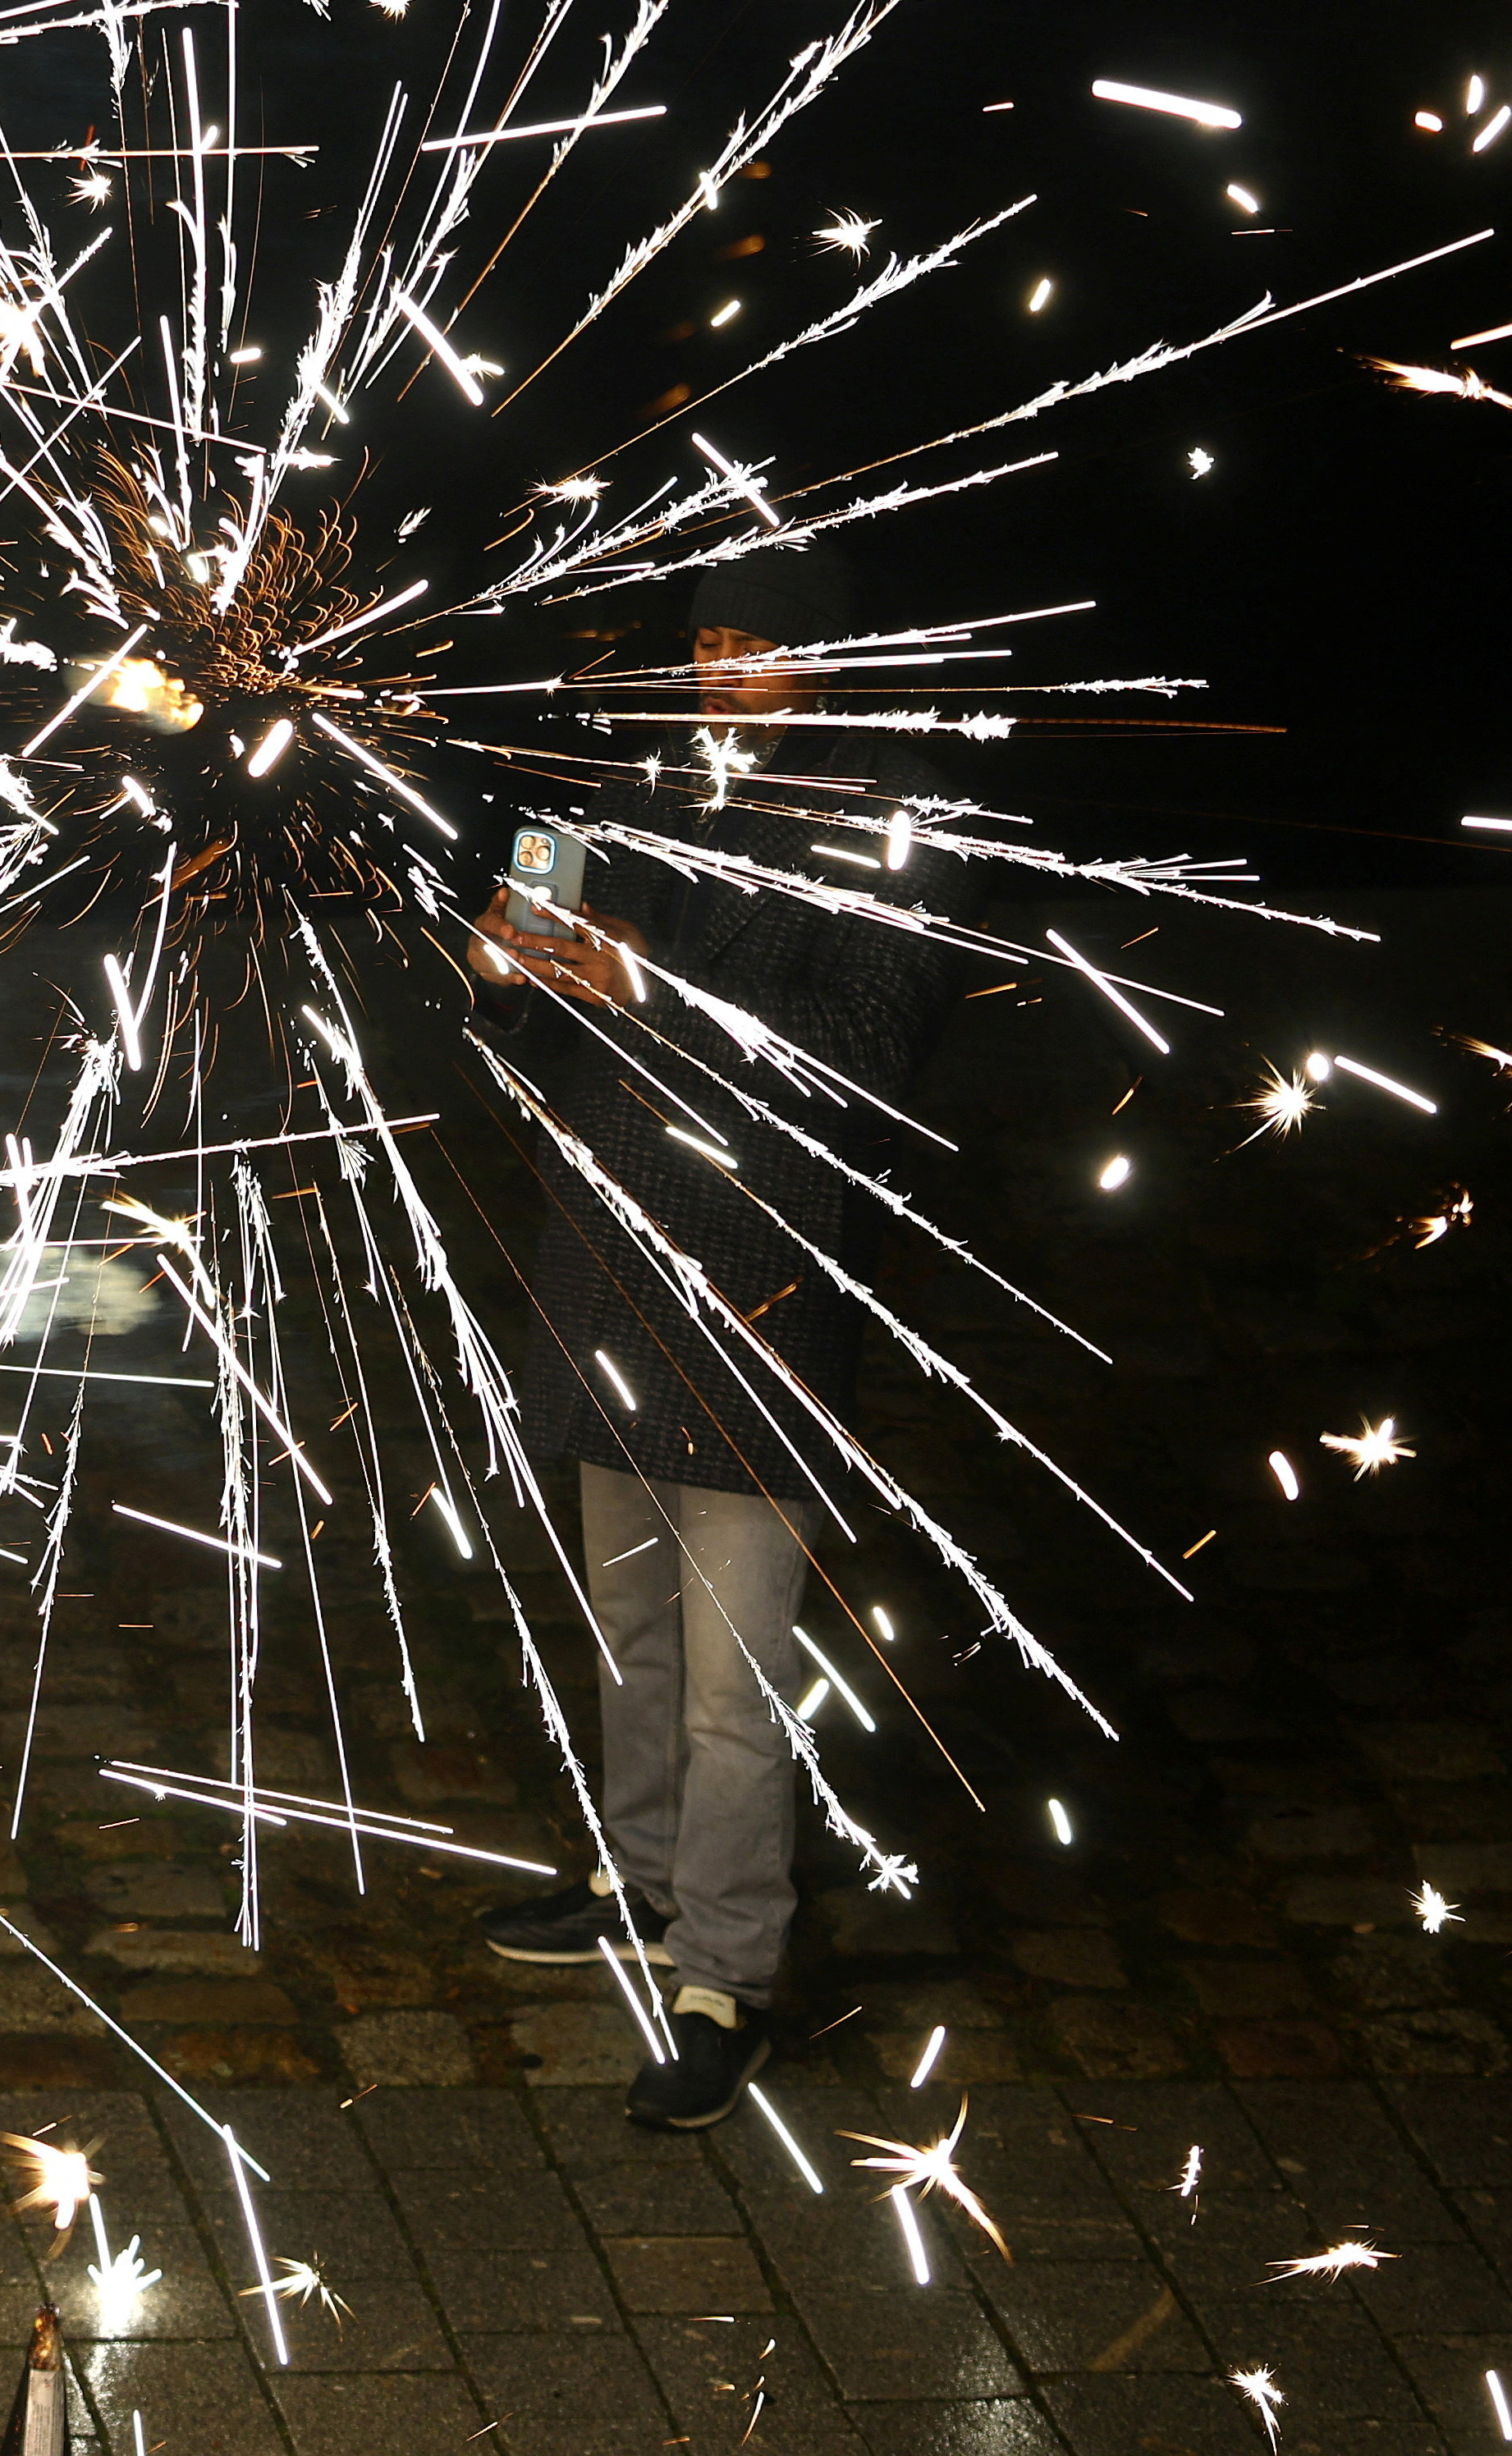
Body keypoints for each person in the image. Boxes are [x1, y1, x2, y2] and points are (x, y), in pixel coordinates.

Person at [462, 549, 961, 2129]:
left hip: (763, 1297)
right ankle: (642, 1876)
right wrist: (504, 967)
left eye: (763, 648)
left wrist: (642, 987)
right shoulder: (641, 794)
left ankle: (728, 1969)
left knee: (733, 1685)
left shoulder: (888, 822)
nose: (726, 676)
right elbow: (522, 1029)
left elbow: (865, 1060)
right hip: (612, 1276)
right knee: (630, 1638)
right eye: (713, 645)